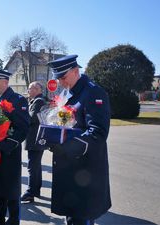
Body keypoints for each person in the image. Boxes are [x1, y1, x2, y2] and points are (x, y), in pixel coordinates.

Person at [47, 55, 111, 225]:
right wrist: (51, 136)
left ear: (76, 71)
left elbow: (98, 133)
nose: (60, 82)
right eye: (58, 78)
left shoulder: (93, 92)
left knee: (81, 218)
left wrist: (67, 147)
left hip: (85, 171)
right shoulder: (69, 93)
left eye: (63, 77)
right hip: (70, 168)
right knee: (72, 217)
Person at [0, 67, 30, 225]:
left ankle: (14, 219)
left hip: (8, 153)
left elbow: (22, 129)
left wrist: (5, 145)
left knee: (10, 188)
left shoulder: (17, 100)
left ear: (5, 82)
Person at [21, 81, 46, 203]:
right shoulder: (35, 101)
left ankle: (30, 192)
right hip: (35, 139)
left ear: (37, 89)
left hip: (35, 139)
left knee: (32, 166)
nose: (28, 90)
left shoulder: (38, 101)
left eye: (30, 88)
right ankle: (35, 190)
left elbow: (32, 118)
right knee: (36, 166)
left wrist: (21, 114)